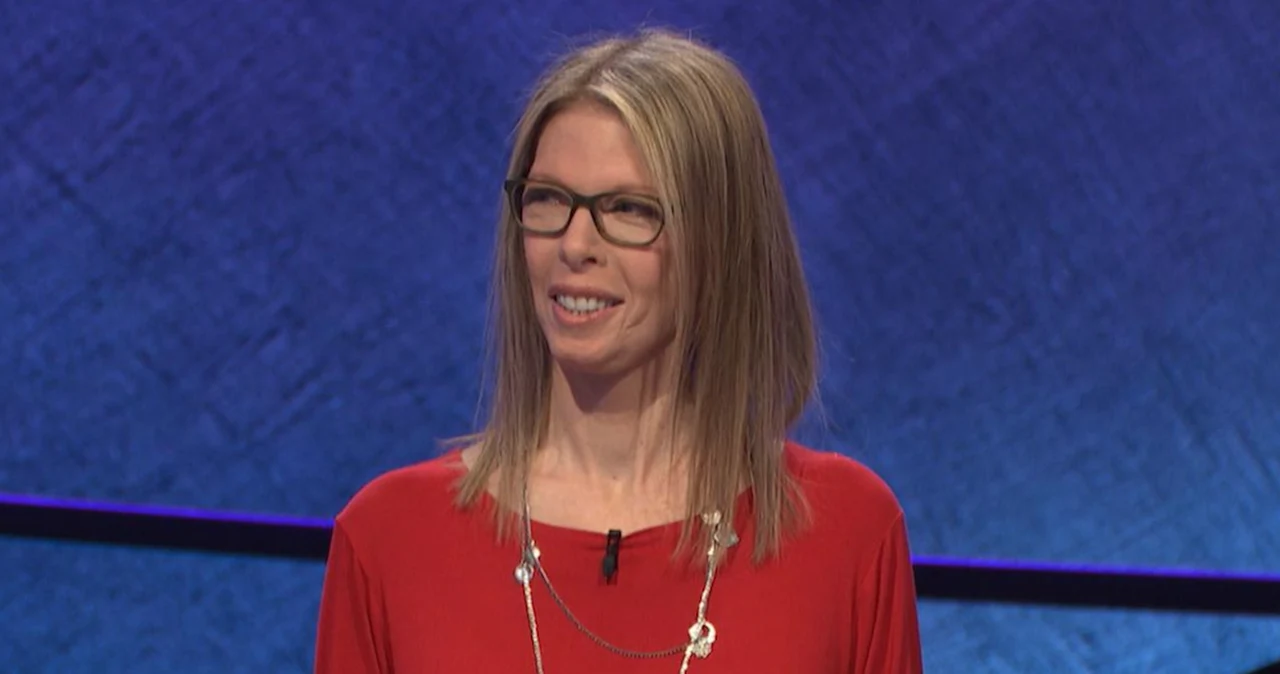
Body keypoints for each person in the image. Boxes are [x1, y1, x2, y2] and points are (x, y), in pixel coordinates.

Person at [314, 27, 923, 674]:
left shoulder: (846, 533)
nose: (575, 245)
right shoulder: (390, 540)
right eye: (548, 200)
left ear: (719, 241)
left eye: (628, 209)